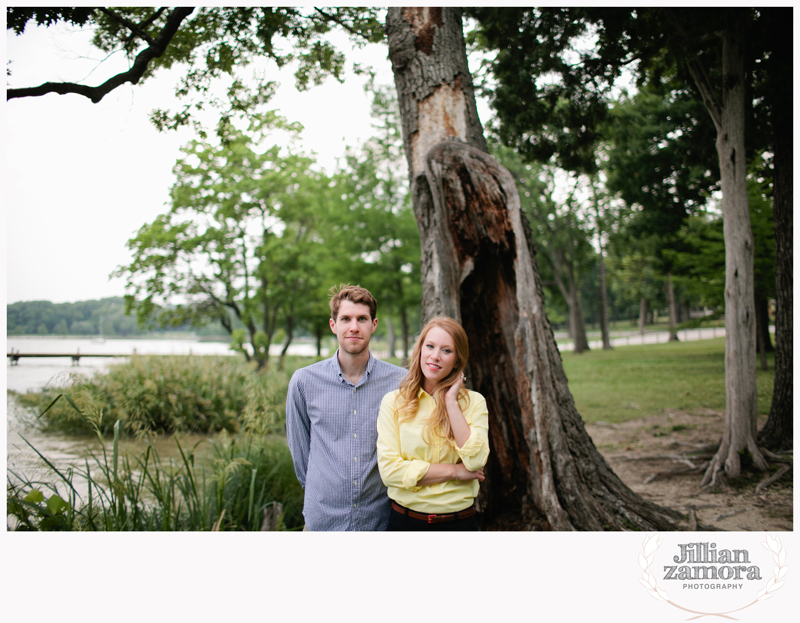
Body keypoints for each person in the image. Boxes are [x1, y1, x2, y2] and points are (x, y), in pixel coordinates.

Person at [286, 284, 406, 531]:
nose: (354, 327)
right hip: (323, 522)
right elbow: (301, 456)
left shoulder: (400, 382)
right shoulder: (303, 382)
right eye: (346, 319)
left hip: (379, 521)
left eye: (362, 319)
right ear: (334, 325)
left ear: (373, 325)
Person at [377, 316, 489, 531]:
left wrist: (451, 403)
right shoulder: (394, 402)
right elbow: (390, 472)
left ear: (457, 359)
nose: (435, 356)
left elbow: (475, 462)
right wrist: (455, 472)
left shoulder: (474, 403)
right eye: (430, 346)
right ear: (420, 349)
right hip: (405, 523)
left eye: (446, 351)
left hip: (460, 524)